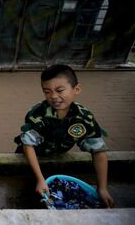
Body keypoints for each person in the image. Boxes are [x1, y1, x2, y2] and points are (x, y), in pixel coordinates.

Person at [14, 64, 115, 208]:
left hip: (56, 158)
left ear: (76, 89)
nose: (54, 96)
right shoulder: (37, 114)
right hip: (30, 159)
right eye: (47, 91)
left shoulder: (84, 117)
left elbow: (98, 152)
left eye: (60, 90)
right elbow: (28, 146)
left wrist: (103, 188)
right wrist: (40, 179)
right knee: (25, 195)